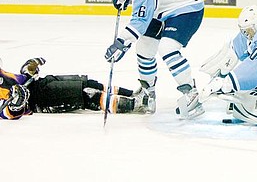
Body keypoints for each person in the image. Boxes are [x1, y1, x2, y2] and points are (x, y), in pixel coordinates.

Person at [105, 0, 205, 119]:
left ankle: (192, 94)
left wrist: (121, 42)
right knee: (144, 48)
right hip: (162, 6)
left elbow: (140, 21)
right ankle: (147, 93)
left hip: (186, 4)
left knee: (167, 48)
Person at [0, 57, 152, 120]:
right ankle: (136, 105)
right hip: (39, 100)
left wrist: (28, 70)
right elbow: (7, 113)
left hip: (41, 84)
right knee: (88, 95)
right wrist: (17, 103)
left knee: (91, 84)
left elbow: (19, 80)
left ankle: (132, 94)